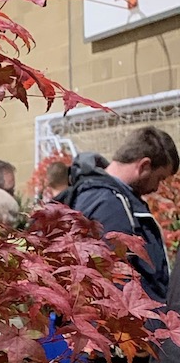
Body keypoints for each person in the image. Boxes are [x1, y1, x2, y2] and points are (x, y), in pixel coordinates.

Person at [66, 126, 178, 308]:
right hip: (128, 330)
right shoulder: (109, 203)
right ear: (144, 166)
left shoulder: (115, 197)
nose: (157, 188)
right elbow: (113, 281)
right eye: (159, 178)